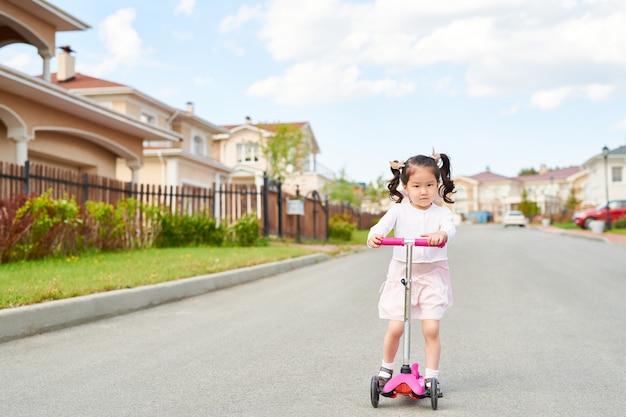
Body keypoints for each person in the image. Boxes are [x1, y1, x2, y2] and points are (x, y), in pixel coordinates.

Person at [367, 150, 456, 397]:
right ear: (405, 187)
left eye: (429, 185)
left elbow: (450, 229)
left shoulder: (441, 214)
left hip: (431, 276)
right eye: (416, 186)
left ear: (438, 185)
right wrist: (374, 237)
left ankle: (431, 377)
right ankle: (386, 370)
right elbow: (380, 227)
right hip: (402, 274)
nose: (423, 191)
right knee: (396, 327)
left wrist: (442, 235)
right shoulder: (399, 211)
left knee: (431, 328)